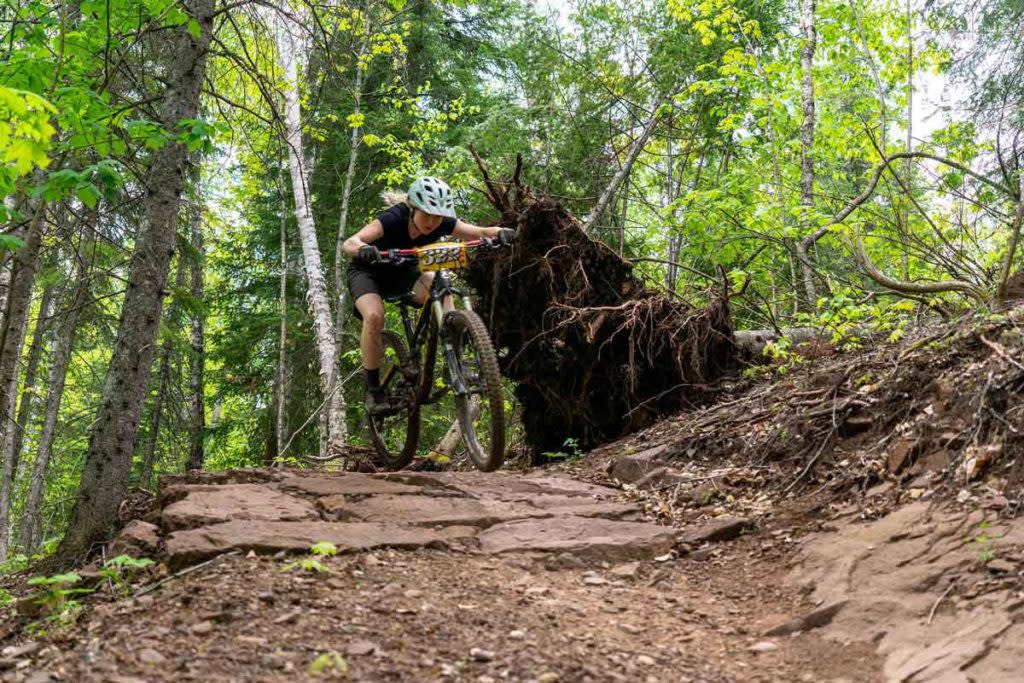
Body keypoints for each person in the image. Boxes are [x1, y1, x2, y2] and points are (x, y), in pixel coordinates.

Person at [343, 176, 514, 414]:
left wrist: (503, 232)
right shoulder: (394, 217)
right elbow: (350, 243)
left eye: (438, 217)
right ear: (413, 208)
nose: (432, 222)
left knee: (440, 285)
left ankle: (457, 359)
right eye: (427, 214)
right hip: (368, 272)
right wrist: (364, 249)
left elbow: (480, 231)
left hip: (404, 273)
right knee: (374, 316)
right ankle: (373, 390)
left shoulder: (443, 222)